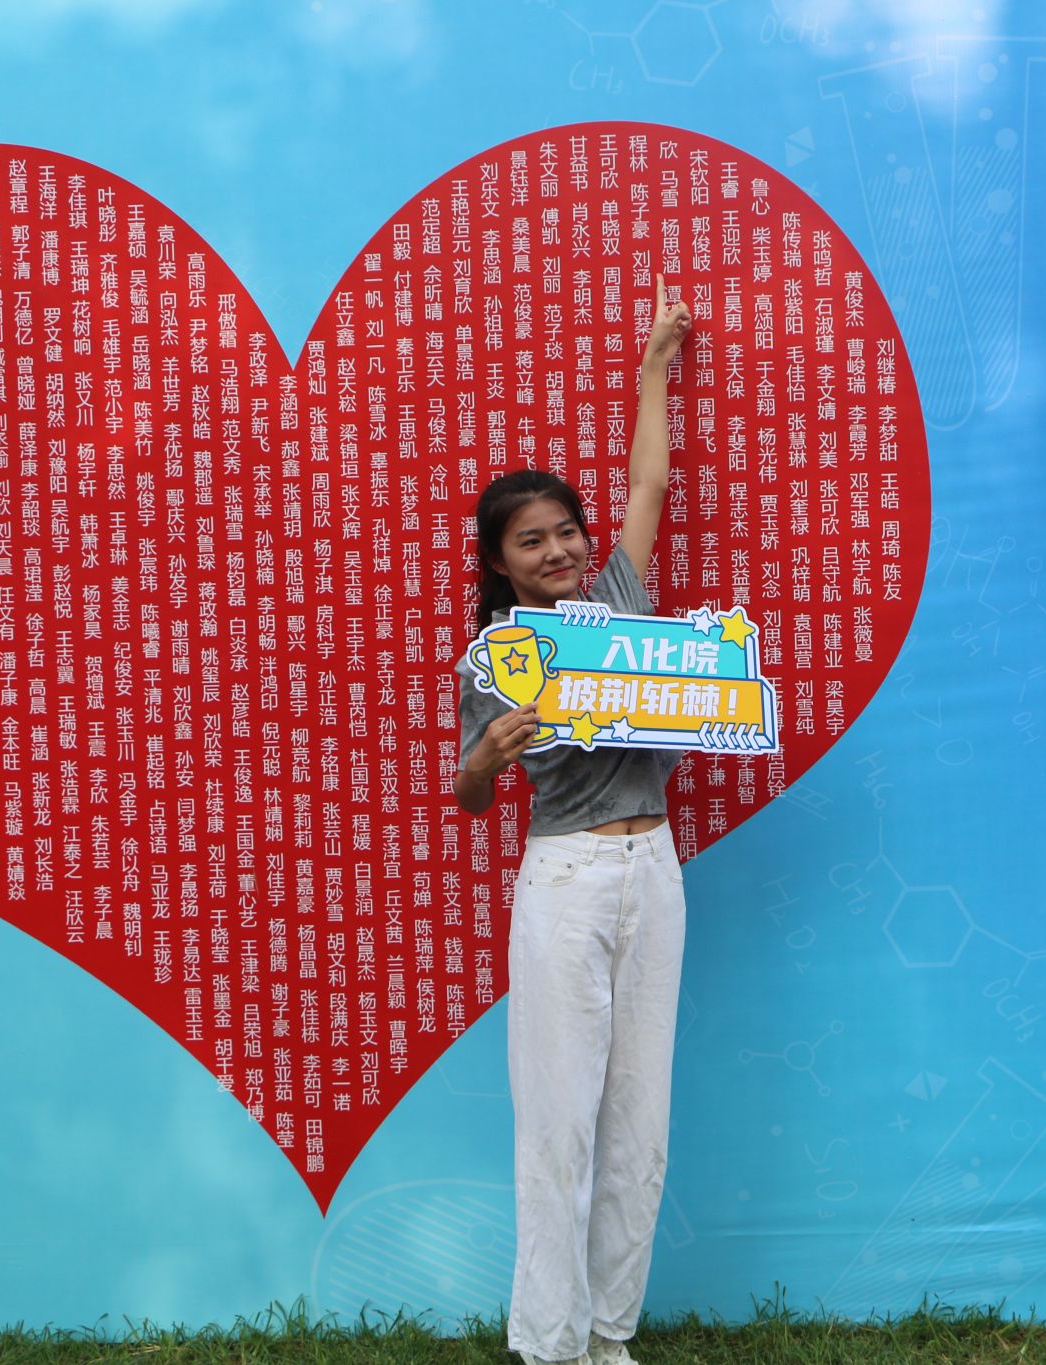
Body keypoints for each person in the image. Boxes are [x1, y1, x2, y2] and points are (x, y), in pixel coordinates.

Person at [453, 275, 695, 1365]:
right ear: (498, 564)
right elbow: (469, 795)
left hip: (654, 872)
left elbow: (649, 483)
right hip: (563, 883)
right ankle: (547, 1344)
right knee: (559, 1123)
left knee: (639, 1123)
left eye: (565, 533)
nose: (555, 551)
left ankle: (609, 1337)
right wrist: (485, 759)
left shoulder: (622, 613)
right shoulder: (494, 662)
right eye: (530, 542)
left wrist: (653, 368)